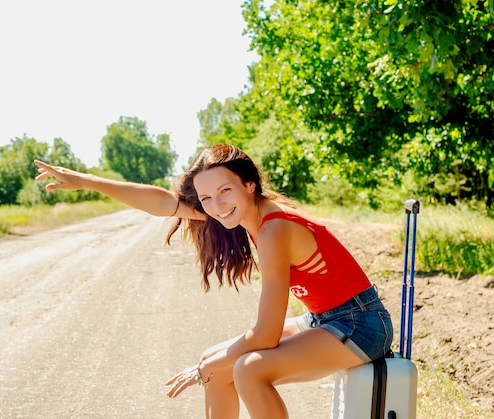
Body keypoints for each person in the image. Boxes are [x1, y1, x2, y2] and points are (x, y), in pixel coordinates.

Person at [34, 144, 393, 419]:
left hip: (360, 322)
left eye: (225, 191)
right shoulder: (241, 211)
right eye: (206, 197)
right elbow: (163, 202)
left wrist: (203, 369)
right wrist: (86, 181)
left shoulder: (274, 229)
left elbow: (264, 336)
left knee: (248, 369)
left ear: (249, 184)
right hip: (324, 319)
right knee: (216, 365)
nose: (217, 205)